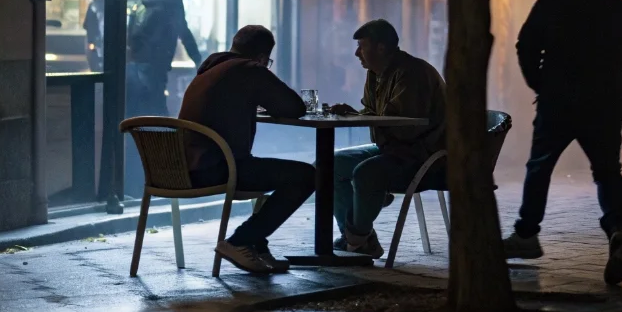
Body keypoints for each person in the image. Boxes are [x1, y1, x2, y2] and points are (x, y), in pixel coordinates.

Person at [503, 0, 622, 285]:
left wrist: (539, 83)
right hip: (604, 105)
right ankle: (616, 226)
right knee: (607, 172)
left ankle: (526, 234)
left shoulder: (551, 1)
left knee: (539, 166)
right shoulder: (617, 8)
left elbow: (526, 45)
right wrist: (619, 87)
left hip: (557, 100)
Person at [179, 25, 314, 274]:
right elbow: (294, 107)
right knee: (306, 175)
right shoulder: (248, 70)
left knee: (269, 169)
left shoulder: (211, 69)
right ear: (262, 58)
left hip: (187, 166)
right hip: (217, 167)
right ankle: (239, 242)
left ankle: (257, 247)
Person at [327, 19, 446, 258]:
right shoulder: (375, 73)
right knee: (327, 166)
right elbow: (375, 113)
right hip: (392, 150)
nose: (356, 53)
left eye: (362, 46)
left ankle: (356, 238)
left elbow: (405, 127)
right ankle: (362, 239)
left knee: (366, 172)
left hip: (424, 155)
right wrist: (352, 113)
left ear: (381, 48)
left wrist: (365, 118)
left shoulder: (413, 73)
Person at [126, 0, 203, 117]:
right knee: (157, 112)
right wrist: (199, 60)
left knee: (139, 111)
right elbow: (184, 33)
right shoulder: (172, 1)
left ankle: (135, 140)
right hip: (154, 66)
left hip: (137, 64)